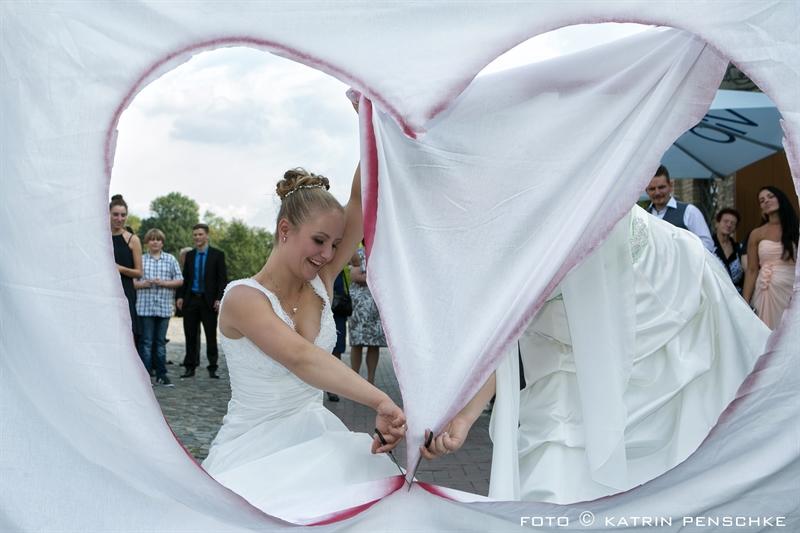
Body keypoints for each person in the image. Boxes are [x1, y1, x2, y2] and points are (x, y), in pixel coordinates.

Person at [421, 206, 770, 504]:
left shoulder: (662, 256)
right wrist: (465, 417)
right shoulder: (500, 243)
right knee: (550, 497)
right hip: (562, 397)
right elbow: (504, 338)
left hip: (655, 377)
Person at [201, 167, 406, 523]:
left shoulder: (321, 280)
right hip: (253, 453)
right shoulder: (243, 298)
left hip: (318, 440)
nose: (328, 255)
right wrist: (380, 399)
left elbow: (360, 198)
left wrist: (371, 113)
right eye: (319, 241)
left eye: (335, 245)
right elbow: (301, 357)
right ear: (285, 231)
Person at [742, 186, 798, 330]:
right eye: (762, 200)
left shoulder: (796, 229)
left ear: (780, 198)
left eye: (770, 196)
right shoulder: (756, 234)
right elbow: (752, 270)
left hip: (792, 289)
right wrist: (745, 302)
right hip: (766, 291)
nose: (766, 201)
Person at [176, 224, 227, 379]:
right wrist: (180, 296)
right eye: (195, 235)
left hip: (209, 301)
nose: (197, 237)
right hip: (191, 300)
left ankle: (212, 367)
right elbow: (185, 279)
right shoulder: (190, 255)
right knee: (190, 335)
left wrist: (219, 298)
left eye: (200, 234)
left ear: (207, 236)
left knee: (210, 336)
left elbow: (222, 279)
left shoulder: (217, 255)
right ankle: (190, 367)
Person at [134, 229, 183, 386]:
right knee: (146, 343)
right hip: (144, 307)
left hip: (163, 307)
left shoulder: (170, 259)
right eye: (152, 239)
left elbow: (180, 280)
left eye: (158, 239)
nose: (155, 242)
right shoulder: (140, 260)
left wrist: (163, 283)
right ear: (147, 242)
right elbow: (132, 283)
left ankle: (162, 374)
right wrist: (144, 284)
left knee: (160, 343)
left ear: (162, 242)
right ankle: (145, 376)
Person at [646, 164, 714, 251]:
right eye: (652, 189)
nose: (657, 192)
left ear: (670, 186)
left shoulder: (689, 211)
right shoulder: (644, 216)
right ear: (646, 190)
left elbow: (707, 245)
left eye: (661, 187)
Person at [349, 246, 387, 384]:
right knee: (357, 343)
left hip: (376, 306)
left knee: (374, 344)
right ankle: (354, 380)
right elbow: (355, 275)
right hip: (359, 307)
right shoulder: (359, 252)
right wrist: (375, 277)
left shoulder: (381, 253)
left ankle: (371, 380)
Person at [110, 195, 143, 341]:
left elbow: (139, 272)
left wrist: (119, 269)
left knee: (126, 335)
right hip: (104, 291)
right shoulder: (101, 237)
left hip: (125, 292)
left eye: (123, 215)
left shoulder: (132, 239)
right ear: (108, 214)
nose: (119, 218)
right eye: (115, 214)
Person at [326, 268, 352, 402]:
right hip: (323, 308)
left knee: (337, 350)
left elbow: (355, 260)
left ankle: (332, 387)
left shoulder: (340, 265)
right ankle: (322, 384)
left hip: (338, 312)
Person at [712, 207, 746, 293]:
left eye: (733, 223)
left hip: (737, 295)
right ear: (717, 223)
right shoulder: (708, 246)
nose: (729, 225)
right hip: (714, 294)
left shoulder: (739, 248)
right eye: (725, 221)